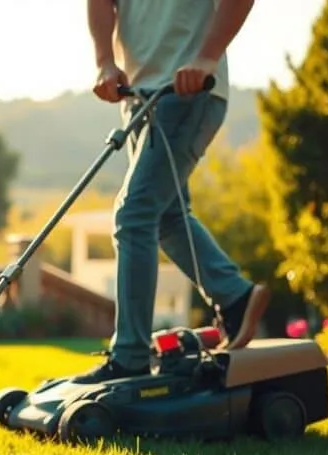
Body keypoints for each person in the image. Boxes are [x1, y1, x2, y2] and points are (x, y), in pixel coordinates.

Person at [73, 0, 269, 384]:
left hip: (190, 91)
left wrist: (207, 57)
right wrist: (104, 62)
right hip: (137, 97)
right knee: (166, 218)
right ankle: (235, 297)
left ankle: (129, 357)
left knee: (134, 215)